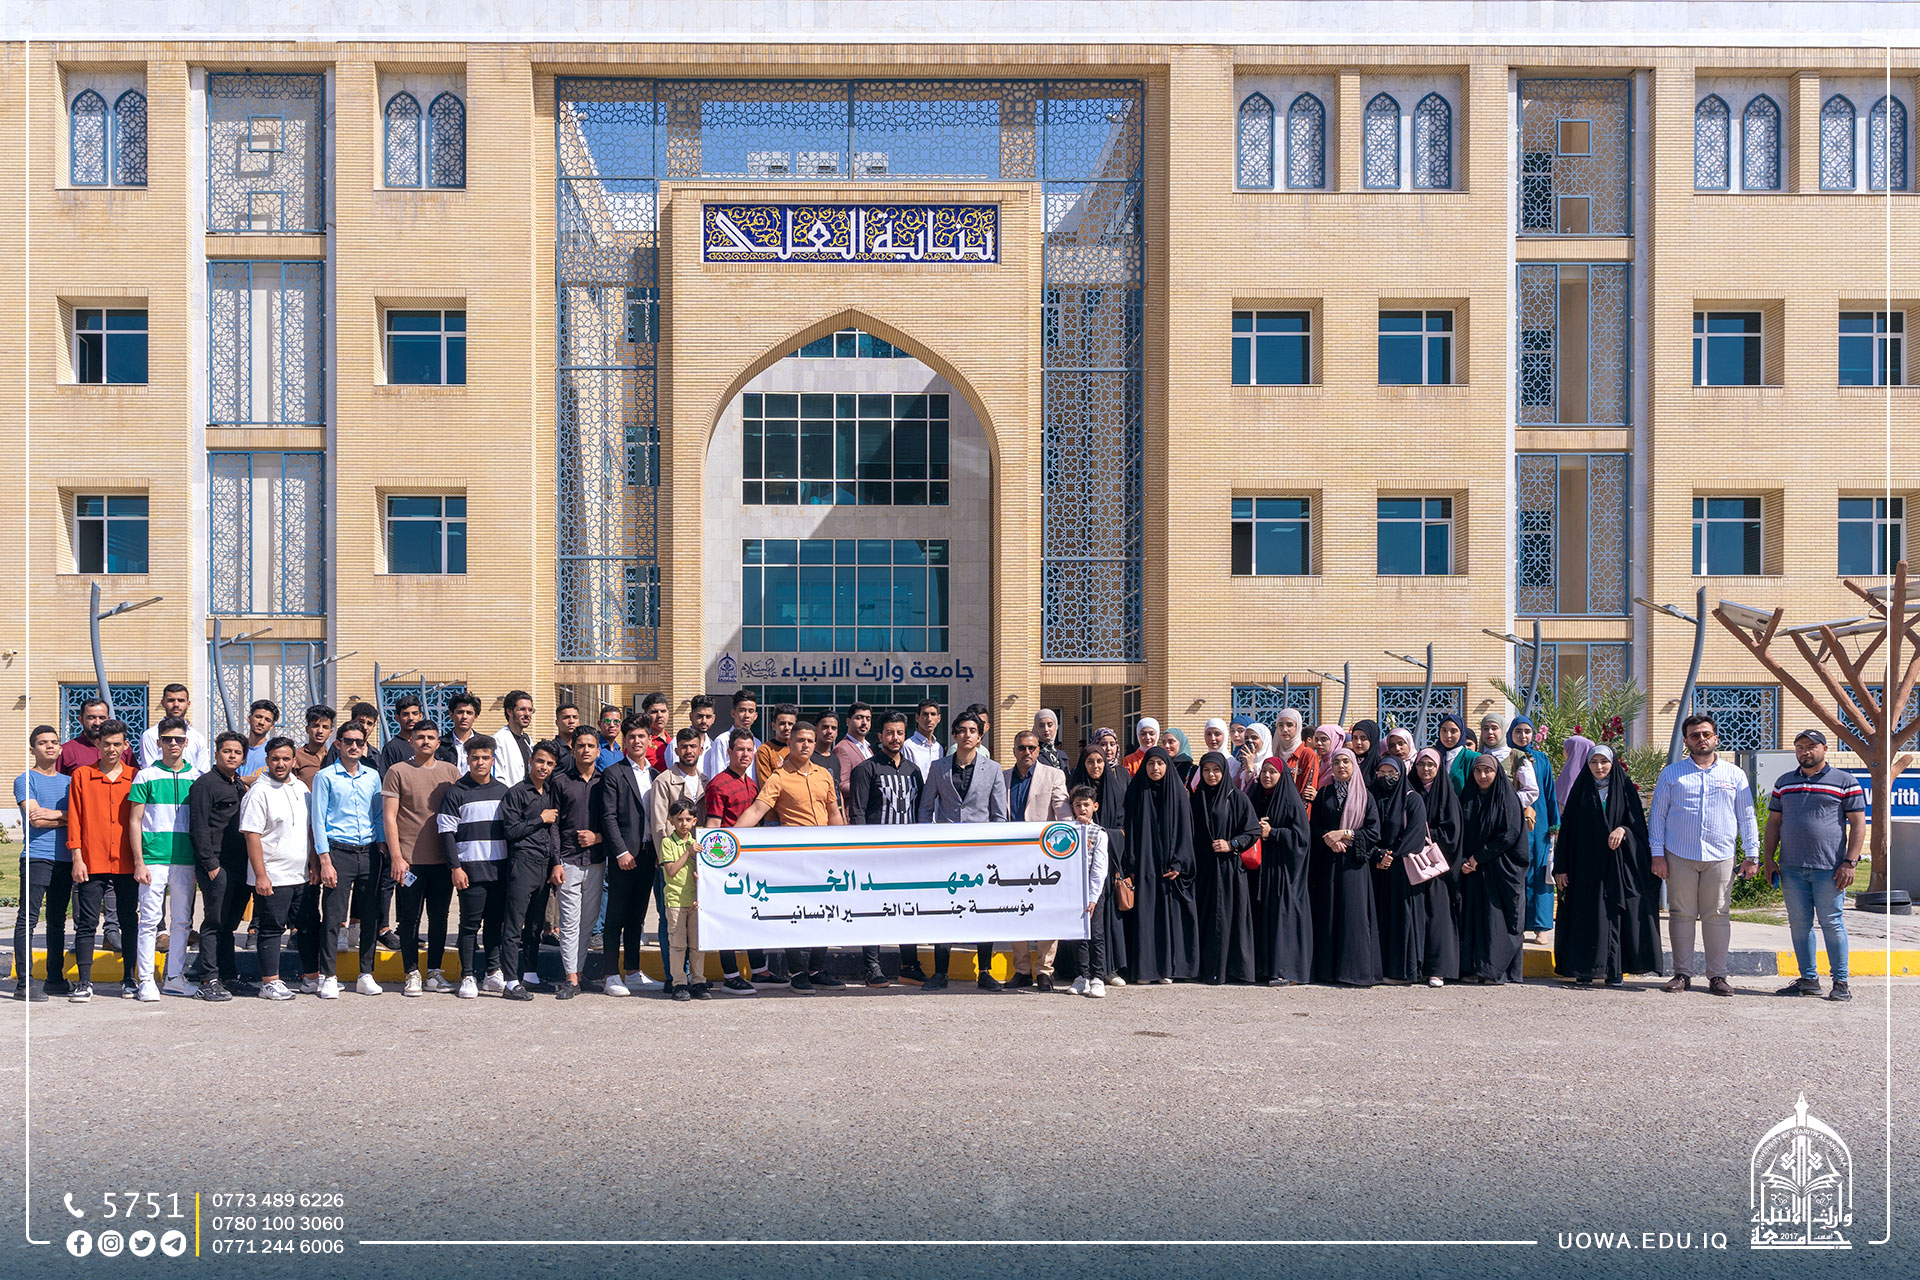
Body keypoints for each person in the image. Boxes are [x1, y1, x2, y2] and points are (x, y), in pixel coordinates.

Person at [1648, 713, 1760, 997]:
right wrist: (1657, 854)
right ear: (1686, 741)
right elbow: (1657, 816)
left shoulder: (1734, 775)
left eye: (1706, 734)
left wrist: (1752, 855)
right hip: (1679, 855)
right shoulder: (1671, 774)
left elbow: (1747, 816)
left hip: (1720, 856)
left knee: (1717, 915)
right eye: (1695, 735)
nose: (1701, 739)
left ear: (1716, 738)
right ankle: (1682, 974)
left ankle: (1717, 976)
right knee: (1681, 914)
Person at [739, 721, 847, 991]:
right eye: (800, 740)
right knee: (794, 915)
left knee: (826, 912)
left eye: (810, 740)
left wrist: (845, 846)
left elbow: (834, 813)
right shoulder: (779, 777)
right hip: (795, 859)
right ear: (790, 744)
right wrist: (729, 839)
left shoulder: (824, 775)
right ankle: (798, 972)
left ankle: (816, 969)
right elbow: (757, 810)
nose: (806, 745)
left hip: (825, 857)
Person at [1764, 729, 1865, 1002]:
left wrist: (1850, 862)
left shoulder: (1845, 782)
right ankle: (1808, 980)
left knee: (1832, 923)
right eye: (1800, 747)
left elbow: (1858, 824)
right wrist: (1769, 860)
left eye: (1811, 746)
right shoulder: (1784, 782)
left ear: (1824, 748)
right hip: (1791, 868)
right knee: (1799, 924)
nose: (1805, 751)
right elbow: (1773, 823)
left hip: (1830, 868)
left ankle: (1840, 982)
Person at [911, 711, 1007, 990]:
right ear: (954, 735)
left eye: (972, 730)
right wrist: (927, 843)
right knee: (945, 910)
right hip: (947, 852)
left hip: (981, 853)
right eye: (962, 730)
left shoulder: (993, 769)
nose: (967, 735)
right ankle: (941, 972)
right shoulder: (938, 767)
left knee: (983, 910)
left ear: (980, 736)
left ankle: (985, 971)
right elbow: (926, 808)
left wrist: (994, 849)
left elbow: (999, 815)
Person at [1553, 744, 1662, 987]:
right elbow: (1567, 833)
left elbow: (1637, 826)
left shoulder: (1624, 790)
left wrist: (1623, 830)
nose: (1599, 767)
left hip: (1616, 867)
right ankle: (1584, 970)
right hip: (1583, 868)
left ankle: (1614, 970)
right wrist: (1560, 867)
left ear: (1613, 764)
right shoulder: (1580, 790)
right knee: (1585, 915)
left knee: (1615, 916)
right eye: (1594, 762)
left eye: (1604, 762)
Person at [845, 712, 924, 987]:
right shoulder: (866, 769)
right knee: (873, 910)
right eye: (890, 733)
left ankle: (910, 966)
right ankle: (872, 967)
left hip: (908, 855)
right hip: (876, 855)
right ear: (879, 736)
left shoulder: (914, 771)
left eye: (900, 733)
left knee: (909, 908)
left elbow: (920, 811)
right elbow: (857, 813)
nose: (895, 738)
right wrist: (863, 850)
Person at [66, 719, 142, 1002]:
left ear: (125, 746)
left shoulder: (135, 776)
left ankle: (130, 978)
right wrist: (77, 857)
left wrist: (141, 861)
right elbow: (75, 818)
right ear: (97, 744)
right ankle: (84, 981)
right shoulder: (83, 776)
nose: (111, 749)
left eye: (117, 744)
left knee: (128, 920)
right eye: (106, 744)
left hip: (126, 861)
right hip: (92, 860)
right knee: (87, 922)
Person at [383, 721, 462, 995]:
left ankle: (435, 972)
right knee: (409, 919)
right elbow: (390, 817)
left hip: (442, 861)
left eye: (431, 737)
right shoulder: (397, 771)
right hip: (409, 861)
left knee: (439, 917)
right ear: (411, 741)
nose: (425, 741)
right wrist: (396, 857)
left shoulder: (450, 772)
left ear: (439, 742)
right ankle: (412, 972)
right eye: (420, 737)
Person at [129, 716, 205, 999]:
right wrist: (139, 861)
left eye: (179, 739)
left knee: (182, 921)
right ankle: (146, 980)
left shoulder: (197, 777)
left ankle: (174, 977)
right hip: (154, 858)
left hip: (186, 859)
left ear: (186, 742)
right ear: (158, 742)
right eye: (168, 739)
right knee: (150, 921)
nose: (173, 743)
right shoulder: (145, 775)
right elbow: (134, 821)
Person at [309, 722, 386, 998]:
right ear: (338, 744)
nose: (354, 746)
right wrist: (325, 860)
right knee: (333, 917)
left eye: (359, 742)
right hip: (338, 852)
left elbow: (378, 815)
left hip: (368, 852)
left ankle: (365, 973)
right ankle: (329, 975)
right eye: (349, 741)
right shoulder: (325, 777)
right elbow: (318, 820)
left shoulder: (373, 776)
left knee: (369, 917)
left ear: (365, 746)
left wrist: (382, 846)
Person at [439, 735, 512, 999]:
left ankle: (493, 973)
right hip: (470, 871)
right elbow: (446, 833)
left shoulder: (503, 792)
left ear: (493, 760)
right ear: (467, 760)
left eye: (485, 758)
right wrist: (455, 868)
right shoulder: (456, 792)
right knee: (470, 926)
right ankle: (468, 976)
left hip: (499, 870)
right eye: (475, 758)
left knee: (494, 923)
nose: (480, 762)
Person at [239, 738, 312, 1001]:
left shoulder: (301, 788)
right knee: (272, 928)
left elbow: (309, 829)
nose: (280, 764)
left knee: (307, 926)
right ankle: (269, 982)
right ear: (267, 760)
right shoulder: (258, 792)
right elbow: (252, 835)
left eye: (286, 759)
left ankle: (311, 977)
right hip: (273, 875)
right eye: (275, 759)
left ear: (294, 761)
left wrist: (314, 864)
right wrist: (261, 875)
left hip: (301, 874)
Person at [701, 730, 771, 989]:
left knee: (753, 915)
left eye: (749, 750)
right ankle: (730, 976)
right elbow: (713, 825)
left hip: (751, 863)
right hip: (727, 863)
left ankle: (760, 971)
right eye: (740, 749)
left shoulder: (752, 784)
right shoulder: (718, 784)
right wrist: (711, 865)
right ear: (729, 752)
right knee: (727, 920)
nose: (745, 755)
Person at [600, 718, 666, 994]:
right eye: (631, 737)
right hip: (624, 856)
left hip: (648, 854)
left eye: (641, 736)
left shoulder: (656, 775)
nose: (637, 741)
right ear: (625, 742)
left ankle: (633, 971)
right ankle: (610, 975)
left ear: (649, 740)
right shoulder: (614, 773)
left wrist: (659, 851)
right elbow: (608, 816)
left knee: (637, 917)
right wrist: (621, 851)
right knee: (615, 916)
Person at [1121, 745, 1197, 984]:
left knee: (1166, 917)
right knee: (1145, 915)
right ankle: (1145, 970)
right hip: (1143, 865)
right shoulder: (1136, 792)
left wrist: (1179, 862)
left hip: (1168, 867)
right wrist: (1132, 863)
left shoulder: (1178, 794)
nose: (1155, 768)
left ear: (1167, 766)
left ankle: (1165, 969)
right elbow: (1129, 829)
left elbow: (1186, 831)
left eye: (1160, 764)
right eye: (1151, 763)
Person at [1307, 748, 1382, 987]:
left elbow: (1373, 832)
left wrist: (1345, 834)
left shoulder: (1365, 796)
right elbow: (1314, 828)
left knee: (1353, 915)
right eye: (1337, 762)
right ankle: (1329, 971)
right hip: (1329, 863)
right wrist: (1329, 839)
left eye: (1346, 762)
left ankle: (1354, 972)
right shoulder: (1324, 794)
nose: (1341, 766)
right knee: (1329, 912)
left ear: (1354, 766)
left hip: (1354, 865)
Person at [1004, 728, 1071, 989]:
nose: (1027, 752)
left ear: (1038, 750)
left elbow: (1062, 811)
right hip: (1010, 857)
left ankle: (1044, 970)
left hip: (1044, 857)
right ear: (1014, 751)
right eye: (1022, 748)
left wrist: (1071, 839)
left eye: (1031, 748)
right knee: (1014, 911)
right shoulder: (1003, 778)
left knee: (1046, 912)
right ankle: (1021, 969)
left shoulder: (1053, 775)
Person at [188, 731, 251, 1001]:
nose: (232, 756)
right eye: (227, 751)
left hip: (240, 865)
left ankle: (228, 976)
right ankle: (208, 979)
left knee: (229, 924)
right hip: (217, 864)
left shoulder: (239, 786)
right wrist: (210, 864)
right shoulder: (205, 785)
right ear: (216, 754)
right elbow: (198, 826)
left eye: (237, 752)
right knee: (214, 922)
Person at [11, 727, 72, 1003]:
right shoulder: (25, 780)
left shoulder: (70, 782)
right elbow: (35, 819)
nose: (49, 746)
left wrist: (55, 815)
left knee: (57, 921)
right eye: (42, 743)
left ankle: (55, 979)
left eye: (54, 742)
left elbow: (80, 817)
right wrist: (66, 817)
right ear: (32, 749)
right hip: (36, 857)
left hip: (65, 859)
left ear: (60, 748)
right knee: (28, 919)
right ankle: (24, 984)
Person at [498, 742, 562, 1002]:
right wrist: (540, 819)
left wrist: (555, 862)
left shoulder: (550, 792)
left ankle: (531, 975)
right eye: (540, 761)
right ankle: (510, 981)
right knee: (514, 924)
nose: (543, 767)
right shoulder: (516, 793)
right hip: (522, 862)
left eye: (549, 763)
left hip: (544, 865)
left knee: (535, 925)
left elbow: (554, 832)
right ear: (530, 761)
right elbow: (511, 831)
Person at [1191, 751, 1260, 985]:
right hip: (1204, 870)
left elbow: (1252, 830)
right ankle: (1207, 969)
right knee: (1206, 917)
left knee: (1227, 916)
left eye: (1216, 770)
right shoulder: (1197, 797)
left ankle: (1228, 970)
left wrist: (1232, 844)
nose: (1211, 775)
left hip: (1228, 869)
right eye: (1206, 770)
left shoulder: (1236, 797)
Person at [1457, 753, 1528, 985]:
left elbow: (1509, 834)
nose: (1483, 776)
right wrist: (1464, 860)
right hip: (1473, 871)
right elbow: (1460, 831)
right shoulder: (1467, 796)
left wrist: (1479, 857)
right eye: (1478, 771)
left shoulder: (1507, 797)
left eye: (1488, 771)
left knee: (1496, 920)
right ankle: (1473, 968)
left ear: (1497, 773)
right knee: (1475, 920)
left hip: (1500, 869)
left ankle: (1495, 971)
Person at [552, 730, 611, 997]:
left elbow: (613, 820)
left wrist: (598, 837)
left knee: (588, 922)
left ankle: (579, 972)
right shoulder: (560, 782)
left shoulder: (606, 782)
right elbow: (553, 826)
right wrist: (556, 862)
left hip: (596, 861)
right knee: (569, 921)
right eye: (580, 745)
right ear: (573, 750)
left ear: (598, 751)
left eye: (590, 745)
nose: (586, 750)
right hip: (569, 860)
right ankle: (571, 977)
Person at [1065, 744, 1130, 986]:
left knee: (1103, 923)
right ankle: (1080, 972)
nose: (1095, 766)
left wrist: (1101, 833)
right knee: (1081, 923)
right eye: (1090, 762)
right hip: (1078, 871)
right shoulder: (1075, 789)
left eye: (1099, 761)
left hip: (1106, 862)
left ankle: (1107, 969)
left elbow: (1123, 828)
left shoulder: (1116, 787)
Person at [649, 727, 707, 987]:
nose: (688, 751)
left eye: (693, 746)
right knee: (670, 922)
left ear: (700, 749)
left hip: (698, 863)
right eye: (684, 746)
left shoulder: (706, 781)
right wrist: (665, 856)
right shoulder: (664, 780)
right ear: (676, 750)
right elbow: (659, 824)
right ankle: (673, 978)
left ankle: (696, 978)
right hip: (672, 861)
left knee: (694, 925)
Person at [1368, 755, 1432, 986]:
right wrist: (1377, 855)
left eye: (1392, 773)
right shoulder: (1371, 797)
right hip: (1377, 868)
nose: (1386, 777)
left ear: (1401, 774)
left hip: (1402, 870)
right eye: (1382, 772)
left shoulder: (1412, 799)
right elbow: (1367, 829)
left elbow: (1415, 835)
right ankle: (1380, 968)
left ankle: (1403, 971)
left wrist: (1391, 856)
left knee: (1402, 920)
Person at [1248, 756, 1311, 986]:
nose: (1267, 776)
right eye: (1264, 771)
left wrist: (1273, 833)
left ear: (1282, 775)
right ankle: (1265, 968)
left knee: (1284, 917)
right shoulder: (1256, 797)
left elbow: (1302, 837)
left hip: (1285, 871)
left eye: (1272, 772)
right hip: (1261, 869)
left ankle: (1288, 971)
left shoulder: (1291, 801)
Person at [1408, 748, 1463, 986]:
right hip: (1411, 862)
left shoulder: (1446, 794)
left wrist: (1423, 835)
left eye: (1431, 765)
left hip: (1437, 867)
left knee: (1438, 916)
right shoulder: (1409, 790)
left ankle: (1437, 969)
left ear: (1439, 768)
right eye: (1421, 764)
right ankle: (1415, 966)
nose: (1425, 769)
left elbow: (1452, 832)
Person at [1507, 717, 1560, 943]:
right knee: (1517, 872)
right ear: (1511, 734)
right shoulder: (1507, 756)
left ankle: (1541, 926)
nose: (1523, 736)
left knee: (1540, 871)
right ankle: (1517, 924)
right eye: (1518, 731)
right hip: (1512, 822)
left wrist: (1554, 823)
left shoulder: (1541, 759)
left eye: (1527, 731)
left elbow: (1549, 792)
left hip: (1539, 823)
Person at [1065, 784, 1113, 998]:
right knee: (1078, 936)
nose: (1082, 809)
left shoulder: (1099, 833)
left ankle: (1097, 977)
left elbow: (1099, 869)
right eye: (1078, 805)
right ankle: (1081, 976)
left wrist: (1093, 897)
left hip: (1092, 892)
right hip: (1072, 891)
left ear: (1095, 806)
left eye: (1086, 805)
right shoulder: (1066, 831)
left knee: (1096, 934)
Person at [657, 799, 707, 1000]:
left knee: (697, 945)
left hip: (695, 901)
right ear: (671, 821)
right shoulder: (668, 843)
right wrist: (688, 852)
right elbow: (670, 871)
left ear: (694, 821)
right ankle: (678, 983)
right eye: (679, 819)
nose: (683, 824)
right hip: (676, 900)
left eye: (688, 819)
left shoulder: (698, 844)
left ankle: (699, 981)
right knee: (678, 945)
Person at [139, 684, 211, 773]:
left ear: (188, 704)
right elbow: (149, 770)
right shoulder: (150, 735)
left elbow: (203, 772)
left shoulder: (197, 737)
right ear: (163, 703)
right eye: (171, 700)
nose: (176, 704)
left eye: (181, 700)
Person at [700, 691, 760, 780]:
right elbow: (717, 776)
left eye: (751, 711)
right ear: (733, 713)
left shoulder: (758, 744)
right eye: (742, 710)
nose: (746, 715)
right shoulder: (722, 741)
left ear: (755, 716)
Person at [490, 690, 540, 787]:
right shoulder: (498, 740)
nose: (527, 714)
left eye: (530, 710)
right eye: (522, 709)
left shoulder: (527, 740)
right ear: (509, 711)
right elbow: (497, 778)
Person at [833, 701, 874, 808]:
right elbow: (841, 786)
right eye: (859, 718)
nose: (864, 722)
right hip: (853, 812)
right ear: (848, 721)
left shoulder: (868, 749)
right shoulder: (842, 749)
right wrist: (871, 787)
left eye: (868, 719)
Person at [59, 696, 112, 775]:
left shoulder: (122, 750)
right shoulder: (66, 751)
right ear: (81, 720)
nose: (97, 723)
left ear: (108, 719)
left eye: (102, 718)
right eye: (91, 718)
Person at [1273, 709, 1319, 800]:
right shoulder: (1274, 752)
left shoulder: (1307, 754)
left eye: (1289, 725)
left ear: (1298, 727)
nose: (1284, 729)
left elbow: (1307, 793)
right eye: (1280, 725)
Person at [438, 693, 485, 773]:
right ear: (451, 715)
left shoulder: (484, 744)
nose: (464, 717)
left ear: (475, 717)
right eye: (460, 712)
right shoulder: (440, 745)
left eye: (469, 713)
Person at [379, 695, 427, 773]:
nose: (411, 718)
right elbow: (386, 777)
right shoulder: (391, 748)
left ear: (421, 716)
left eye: (414, 713)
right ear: (397, 718)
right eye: (405, 714)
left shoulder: (427, 744)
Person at [1189, 720, 1240, 791]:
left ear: (1225, 735)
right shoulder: (1204, 762)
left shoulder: (1233, 764)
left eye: (1217, 734)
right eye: (1208, 734)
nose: (1212, 738)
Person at [753, 704, 798, 785]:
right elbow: (766, 784)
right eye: (782, 723)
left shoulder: (800, 749)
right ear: (773, 726)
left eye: (790, 724)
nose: (787, 727)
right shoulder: (765, 751)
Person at [293, 705, 335, 787]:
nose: (320, 731)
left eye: (325, 727)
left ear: (330, 732)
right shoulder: (296, 756)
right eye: (315, 726)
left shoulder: (333, 758)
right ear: (307, 729)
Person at [239, 699, 279, 783]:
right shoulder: (236, 748)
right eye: (258, 717)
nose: (261, 722)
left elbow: (276, 779)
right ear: (249, 718)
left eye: (267, 720)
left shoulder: (273, 751)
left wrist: (242, 780)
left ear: (271, 726)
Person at [904, 700, 945, 779]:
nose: (929, 719)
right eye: (925, 714)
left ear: (939, 718)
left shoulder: (938, 748)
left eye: (933, 714)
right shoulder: (908, 746)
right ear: (917, 718)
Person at [1436, 714, 1477, 792]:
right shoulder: (1434, 756)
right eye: (1444, 731)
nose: (1448, 735)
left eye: (1453, 731)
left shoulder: (1472, 758)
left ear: (1461, 732)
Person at [1309, 724, 1345, 804]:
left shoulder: (1341, 767)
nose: (1318, 743)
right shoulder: (1320, 764)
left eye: (1324, 739)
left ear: (1335, 740)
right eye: (1316, 739)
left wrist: (1317, 796)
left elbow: (1342, 797)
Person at [639, 691, 674, 771]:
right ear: (646, 714)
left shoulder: (673, 742)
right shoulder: (639, 742)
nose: (660, 715)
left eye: (663, 711)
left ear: (668, 713)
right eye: (654, 712)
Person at [1235, 721, 1272, 791]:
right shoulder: (1242, 762)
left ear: (1264, 740)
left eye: (1254, 738)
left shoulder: (1271, 764)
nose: (1249, 741)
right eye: (1246, 738)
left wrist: (1250, 768)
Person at [1346, 719, 1384, 784]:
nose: (1358, 742)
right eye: (1355, 738)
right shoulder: (1347, 762)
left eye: (1363, 738)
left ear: (1372, 739)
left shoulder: (1380, 765)